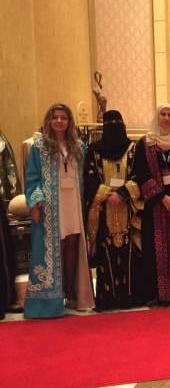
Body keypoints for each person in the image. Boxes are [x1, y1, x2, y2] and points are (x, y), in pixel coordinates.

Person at [24, 103, 94, 318]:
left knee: (72, 242)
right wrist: (35, 203)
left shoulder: (79, 146)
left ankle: (71, 293)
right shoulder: (39, 146)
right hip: (50, 204)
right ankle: (52, 298)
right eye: (55, 117)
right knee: (56, 246)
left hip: (73, 201)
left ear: (69, 121)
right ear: (49, 120)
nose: (59, 121)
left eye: (63, 117)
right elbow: (32, 177)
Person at [84, 110, 144, 310]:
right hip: (103, 209)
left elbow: (140, 175)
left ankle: (131, 296)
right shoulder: (94, 149)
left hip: (128, 209)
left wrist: (123, 194)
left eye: (117, 122)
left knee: (130, 250)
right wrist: (107, 195)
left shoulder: (133, 148)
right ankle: (108, 298)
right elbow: (89, 178)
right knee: (106, 251)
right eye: (110, 123)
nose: (114, 127)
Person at [134, 104, 170, 306]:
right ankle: (155, 292)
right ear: (157, 117)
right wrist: (161, 197)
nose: (166, 118)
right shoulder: (144, 143)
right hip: (154, 205)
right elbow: (141, 172)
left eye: (169, 115)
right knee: (154, 247)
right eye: (162, 114)